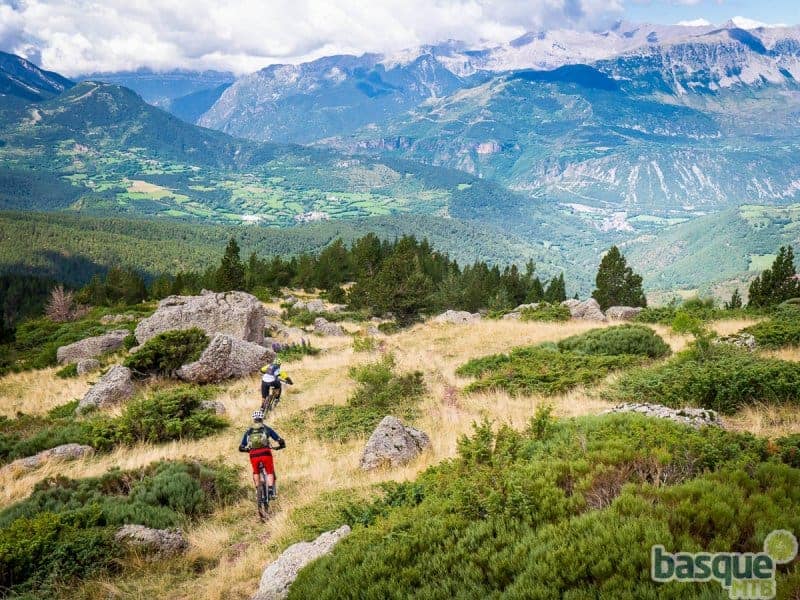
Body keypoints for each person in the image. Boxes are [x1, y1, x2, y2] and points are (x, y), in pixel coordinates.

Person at [239, 410, 285, 497]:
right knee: (269, 471)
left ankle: (258, 490)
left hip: (253, 454)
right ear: (262, 419)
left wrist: (247, 450)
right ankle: (271, 490)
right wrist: (281, 445)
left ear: (253, 419)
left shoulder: (249, 431)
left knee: (256, 472)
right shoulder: (267, 429)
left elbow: (241, 447)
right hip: (265, 453)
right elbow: (279, 439)